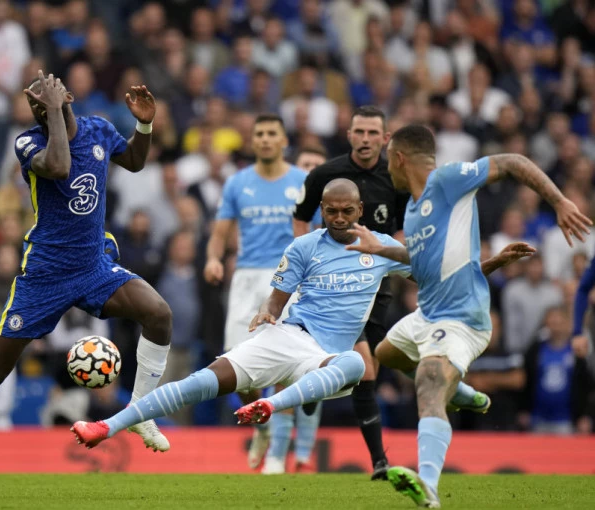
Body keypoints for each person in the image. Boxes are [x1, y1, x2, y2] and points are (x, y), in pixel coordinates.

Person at [71, 179, 532, 450]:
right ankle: (106, 427)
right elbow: (276, 299)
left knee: (358, 363)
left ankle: (270, 406)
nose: (338, 218)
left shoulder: (382, 248)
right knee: (201, 381)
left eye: (346, 211)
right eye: (330, 211)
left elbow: (444, 276)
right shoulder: (304, 246)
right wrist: (265, 313)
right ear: (322, 211)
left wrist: (495, 262)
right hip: (287, 336)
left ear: (360, 210)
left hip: (324, 360)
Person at [347, 124, 591, 508]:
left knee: (428, 379)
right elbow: (424, 267)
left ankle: (428, 486)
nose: (385, 167)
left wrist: (559, 202)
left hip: (461, 319)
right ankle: (459, 391)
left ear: (399, 158)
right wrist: (382, 249)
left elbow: (512, 161)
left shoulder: (447, 180)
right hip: (428, 314)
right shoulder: (413, 210)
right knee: (386, 353)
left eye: (387, 159)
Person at [0, 71, 174, 452]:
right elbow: (59, 166)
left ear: (68, 96)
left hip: (93, 266)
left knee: (158, 314)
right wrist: (56, 112)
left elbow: (135, 160)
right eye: (35, 103)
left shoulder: (98, 129)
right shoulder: (28, 142)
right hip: (45, 275)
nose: (40, 106)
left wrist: (144, 125)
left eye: (48, 97)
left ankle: (141, 410)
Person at [292, 106, 408, 479]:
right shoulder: (324, 175)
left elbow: (402, 230)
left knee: (362, 370)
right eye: (359, 131)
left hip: (375, 283)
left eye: (373, 133)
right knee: (365, 368)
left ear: (385, 138)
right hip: (331, 283)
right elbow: (300, 217)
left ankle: (314, 386)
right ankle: (379, 461)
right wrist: (307, 263)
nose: (365, 139)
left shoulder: (397, 178)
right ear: (349, 135)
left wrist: (392, 257)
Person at [203, 113, 309, 470]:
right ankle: (262, 427)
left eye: (271, 133)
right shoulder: (237, 183)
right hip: (247, 277)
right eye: (259, 133)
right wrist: (214, 259)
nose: (264, 139)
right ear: (253, 141)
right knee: (235, 361)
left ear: (283, 141)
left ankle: (277, 453)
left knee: (285, 366)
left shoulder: (302, 181)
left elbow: (315, 232)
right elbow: (220, 232)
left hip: (288, 276)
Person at [264, 143, 328, 474]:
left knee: (314, 372)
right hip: (277, 287)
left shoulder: (331, 208)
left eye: (317, 165)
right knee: (282, 370)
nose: (310, 171)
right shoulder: (284, 202)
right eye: (306, 164)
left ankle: (303, 456)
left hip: (318, 295)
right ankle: (276, 452)